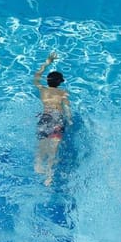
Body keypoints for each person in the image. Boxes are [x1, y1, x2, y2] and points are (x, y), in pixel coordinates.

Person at [33, 52, 72, 187]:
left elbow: (37, 77)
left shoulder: (42, 90)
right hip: (56, 119)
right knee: (54, 149)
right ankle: (48, 176)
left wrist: (47, 62)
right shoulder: (63, 93)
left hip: (45, 117)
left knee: (42, 144)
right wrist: (70, 120)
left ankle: (38, 165)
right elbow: (67, 107)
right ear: (60, 82)